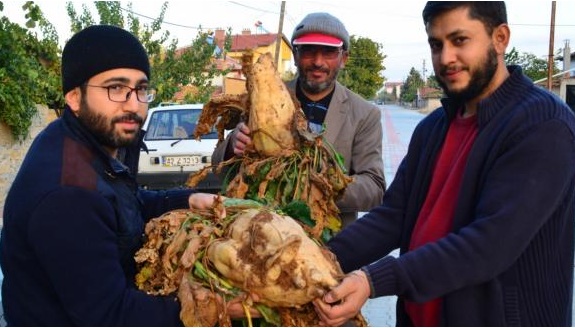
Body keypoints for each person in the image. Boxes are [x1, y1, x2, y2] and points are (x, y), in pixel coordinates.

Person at [313, 2, 575, 326]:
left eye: (460, 40)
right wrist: (317, 259)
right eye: (436, 44)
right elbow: (394, 216)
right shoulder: (434, 126)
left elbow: (489, 245)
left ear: (500, 38)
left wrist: (372, 280)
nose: (446, 57)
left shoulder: (542, 125)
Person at [0, 24, 218, 326]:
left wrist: (189, 198)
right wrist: (217, 308)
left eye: (141, 89)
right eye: (115, 88)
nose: (133, 104)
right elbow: (111, 315)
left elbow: (123, 203)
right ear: (75, 97)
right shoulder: (68, 193)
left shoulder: (84, 140)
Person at [212, 12, 386, 228]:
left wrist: (315, 187)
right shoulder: (263, 98)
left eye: (329, 52)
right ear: (295, 54)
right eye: (308, 51)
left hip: (330, 245)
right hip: (261, 234)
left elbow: (374, 188)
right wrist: (232, 145)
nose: (318, 62)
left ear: (344, 58)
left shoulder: (364, 114)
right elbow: (217, 168)